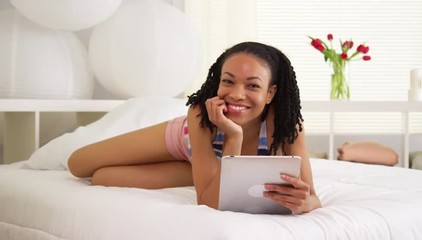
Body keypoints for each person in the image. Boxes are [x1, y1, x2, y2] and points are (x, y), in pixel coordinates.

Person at [68, 41, 321, 214]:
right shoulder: (200, 114)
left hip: (208, 164)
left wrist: (305, 203)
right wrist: (233, 134)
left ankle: (201, 170)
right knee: (78, 165)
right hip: (185, 140)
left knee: (102, 178)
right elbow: (210, 198)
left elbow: (210, 202)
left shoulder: (288, 126)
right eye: (228, 81)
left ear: (270, 93)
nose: (237, 94)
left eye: (253, 86)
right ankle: (202, 168)